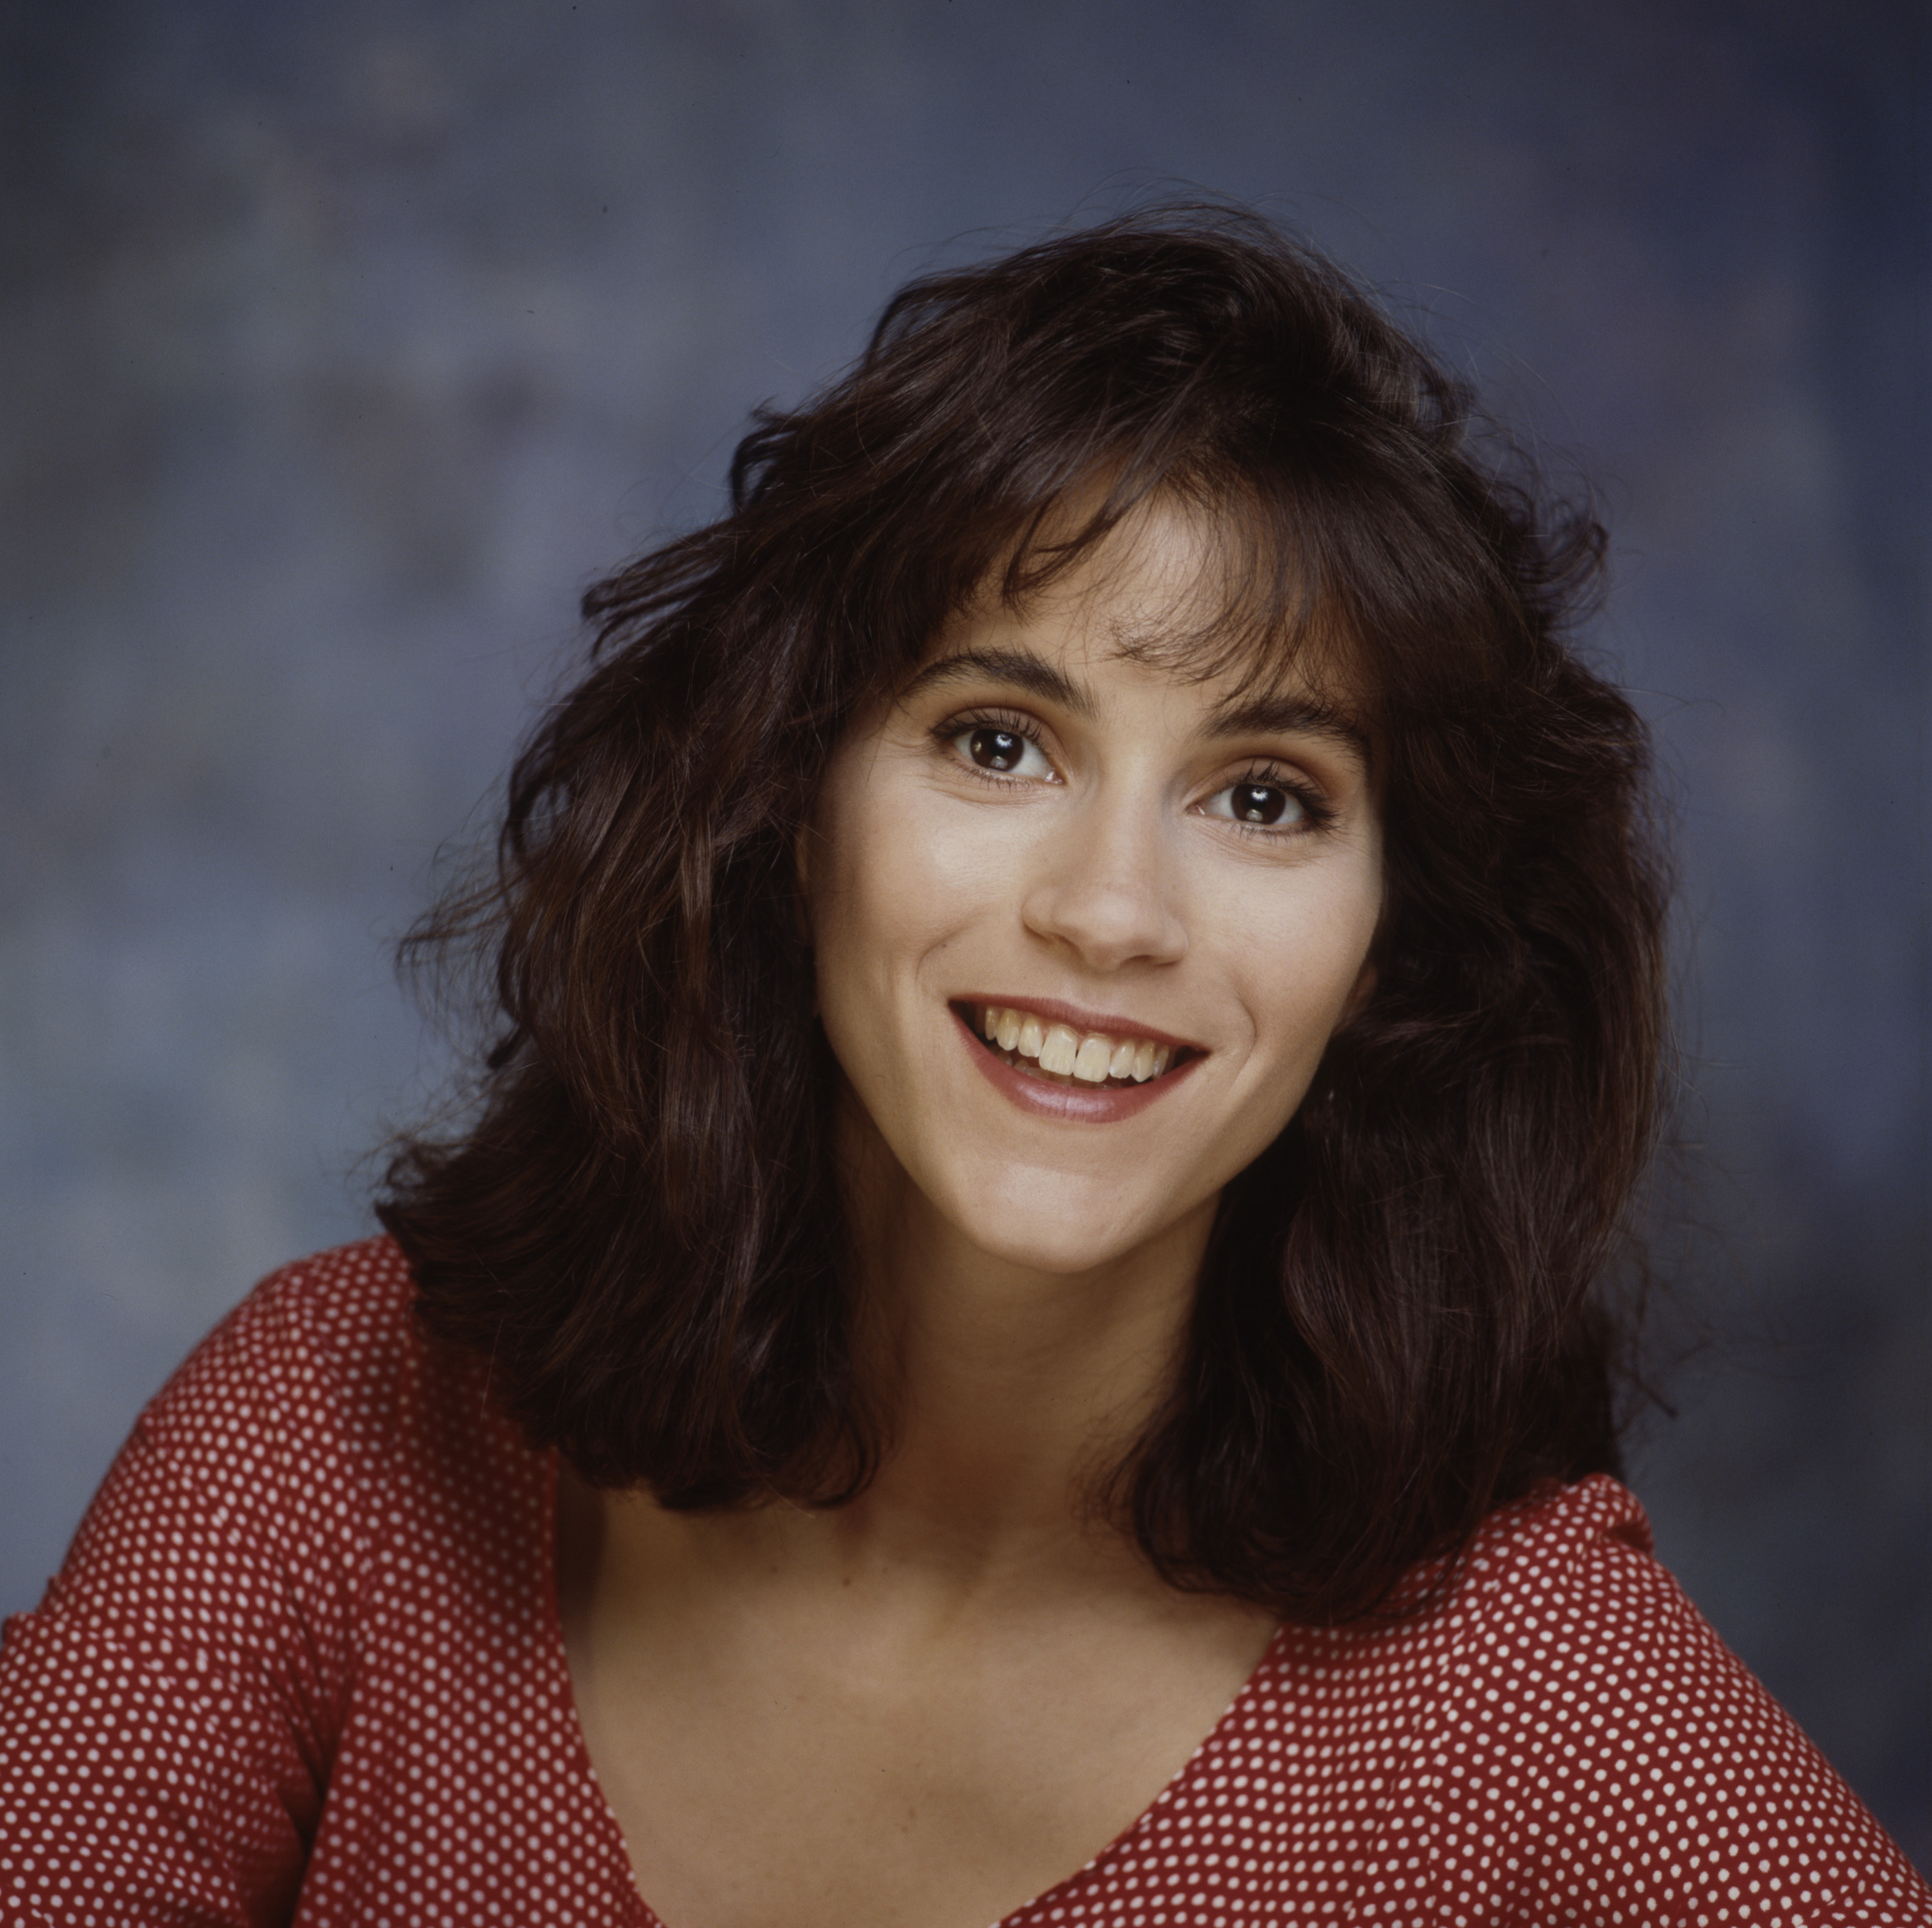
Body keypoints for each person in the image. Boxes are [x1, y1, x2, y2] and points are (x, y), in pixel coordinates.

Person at [1, 208, 1925, 1928]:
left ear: (1389, 953)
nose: (1109, 912)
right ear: (792, 802)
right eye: (1000, 739)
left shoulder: (1521, 1698)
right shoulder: (333, 1433)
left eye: (1264, 795)